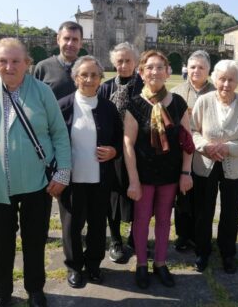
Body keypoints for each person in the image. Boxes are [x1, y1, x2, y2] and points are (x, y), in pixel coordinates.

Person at [0, 38, 71, 307]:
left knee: (35, 240)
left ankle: (35, 289)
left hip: (37, 182)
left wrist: (62, 172)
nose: (9, 66)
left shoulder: (42, 92)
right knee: (1, 242)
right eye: (3, 61)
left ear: (27, 64)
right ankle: (0, 293)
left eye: (16, 61)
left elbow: (59, 134)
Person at [124, 50, 193, 289]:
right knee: (141, 220)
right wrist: (133, 179)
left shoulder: (179, 103)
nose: (155, 71)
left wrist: (186, 172)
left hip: (170, 175)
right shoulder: (134, 104)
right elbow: (128, 144)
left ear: (168, 72)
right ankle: (142, 263)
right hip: (143, 176)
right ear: (141, 73)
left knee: (164, 220)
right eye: (149, 67)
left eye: (160, 67)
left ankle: (161, 263)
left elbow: (187, 141)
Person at [58, 56, 123, 288]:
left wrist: (114, 151)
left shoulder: (108, 108)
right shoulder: (63, 106)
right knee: (72, 226)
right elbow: (52, 142)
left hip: (100, 179)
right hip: (71, 179)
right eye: (84, 74)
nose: (88, 79)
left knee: (97, 225)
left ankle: (94, 264)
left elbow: (119, 138)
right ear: (76, 78)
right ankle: (75, 267)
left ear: (100, 79)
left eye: (94, 75)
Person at [191, 59, 238, 274]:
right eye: (222, 79)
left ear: (237, 81)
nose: (226, 84)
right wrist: (206, 146)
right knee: (203, 210)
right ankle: (203, 251)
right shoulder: (204, 100)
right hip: (205, 163)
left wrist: (228, 148)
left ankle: (228, 253)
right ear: (214, 79)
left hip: (233, 165)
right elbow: (192, 131)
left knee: (230, 212)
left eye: (231, 80)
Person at [98, 42, 143, 264]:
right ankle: (115, 240)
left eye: (127, 61)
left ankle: (135, 238)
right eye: (119, 61)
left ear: (135, 62)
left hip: (139, 151)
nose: (123, 65)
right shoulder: (106, 88)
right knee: (113, 197)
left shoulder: (145, 87)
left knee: (138, 195)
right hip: (113, 152)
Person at [171, 50, 215, 252]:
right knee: (182, 197)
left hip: (206, 154)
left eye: (201, 67)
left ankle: (199, 235)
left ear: (209, 70)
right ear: (186, 69)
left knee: (203, 199)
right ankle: (182, 234)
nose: (196, 70)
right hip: (181, 155)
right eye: (193, 67)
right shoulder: (175, 92)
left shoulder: (217, 92)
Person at [32, 21, 82, 100]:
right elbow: (34, 100)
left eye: (75, 39)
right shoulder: (43, 67)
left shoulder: (87, 68)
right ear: (58, 40)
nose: (70, 44)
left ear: (80, 43)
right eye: (66, 38)